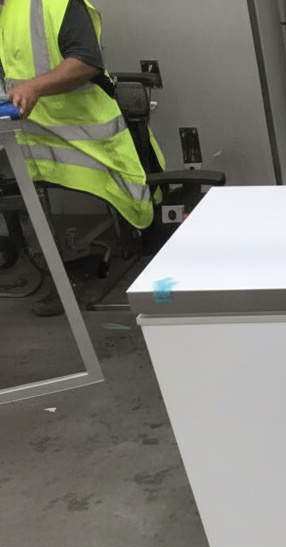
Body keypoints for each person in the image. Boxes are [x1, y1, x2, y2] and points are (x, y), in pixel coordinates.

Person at [0, 0, 154, 316]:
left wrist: (34, 87)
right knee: (30, 202)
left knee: (131, 199)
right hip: (33, 138)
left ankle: (137, 256)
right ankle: (60, 280)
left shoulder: (55, 4)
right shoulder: (9, 9)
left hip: (87, 140)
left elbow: (86, 62)